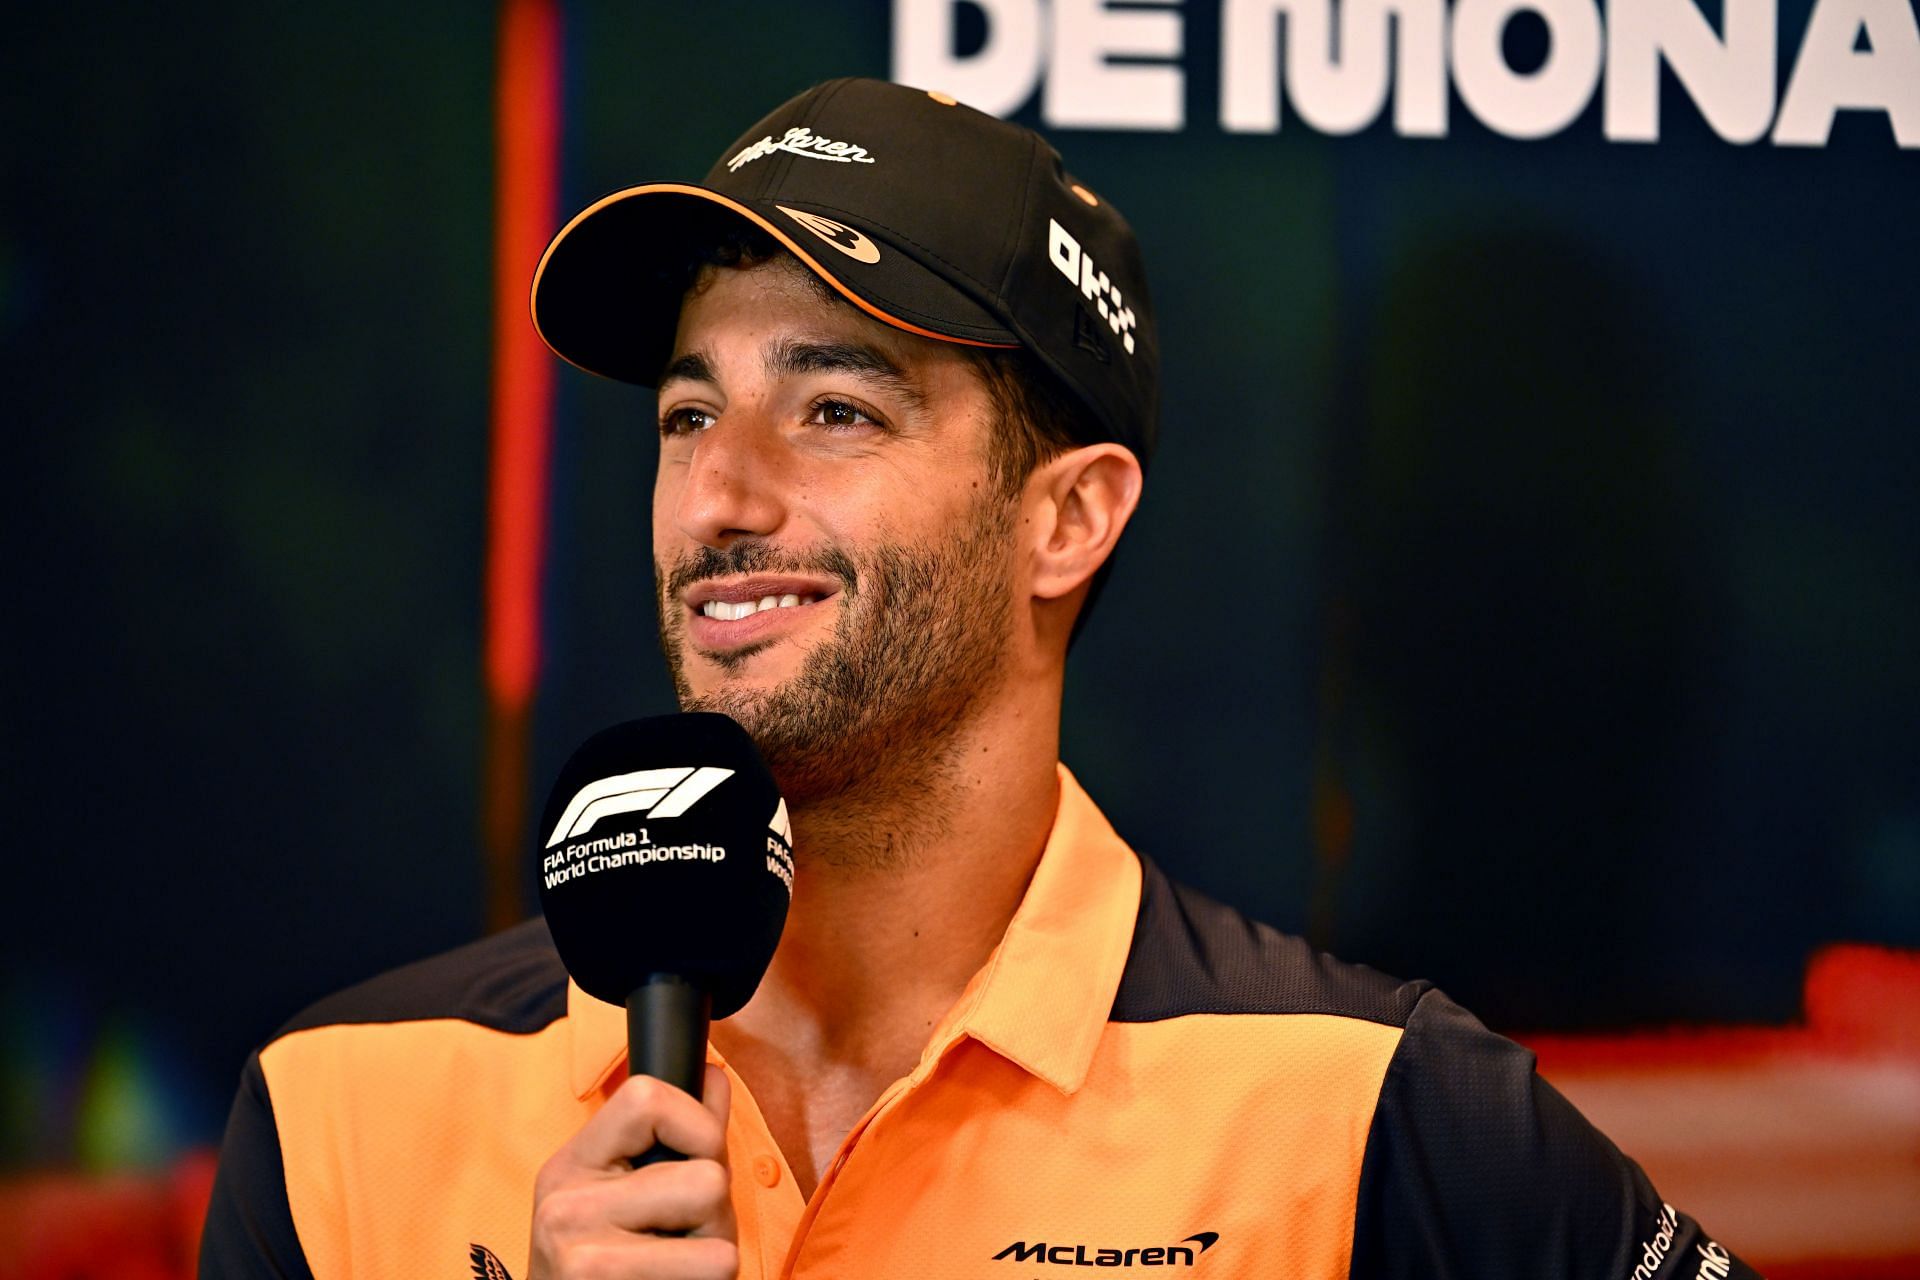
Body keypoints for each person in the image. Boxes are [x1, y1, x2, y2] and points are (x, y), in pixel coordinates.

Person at [200, 77, 1759, 1280]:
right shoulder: (347, 1111)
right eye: (688, 416)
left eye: (835, 413)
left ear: (1067, 516)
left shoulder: (1368, 1109)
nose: (722, 497)